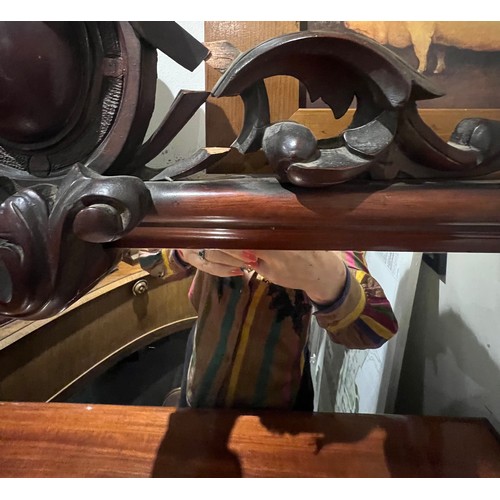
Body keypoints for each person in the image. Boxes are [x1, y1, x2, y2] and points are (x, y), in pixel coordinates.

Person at [139, 249, 398, 410]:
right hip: (198, 377)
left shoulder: (328, 220)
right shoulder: (220, 195)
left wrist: (327, 277)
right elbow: (148, 259)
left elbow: (377, 327)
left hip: (278, 404)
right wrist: (182, 251)